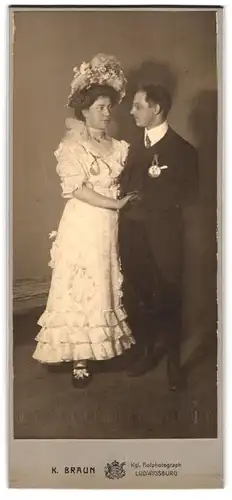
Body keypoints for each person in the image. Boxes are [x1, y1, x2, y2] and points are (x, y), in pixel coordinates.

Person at [32, 54, 138, 388]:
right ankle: (78, 356)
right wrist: (116, 202)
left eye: (110, 107)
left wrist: (122, 203)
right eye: (101, 107)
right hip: (83, 223)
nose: (108, 113)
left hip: (109, 225)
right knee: (80, 285)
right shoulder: (72, 146)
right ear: (85, 109)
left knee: (104, 281)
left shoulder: (118, 147)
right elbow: (77, 189)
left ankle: (101, 347)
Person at [119, 84, 198, 390]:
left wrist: (147, 199)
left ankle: (174, 364)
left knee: (169, 296)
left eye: (137, 106)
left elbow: (189, 195)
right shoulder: (131, 146)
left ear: (157, 109)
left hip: (164, 237)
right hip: (132, 235)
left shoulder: (183, 150)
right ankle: (148, 352)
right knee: (139, 296)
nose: (132, 111)